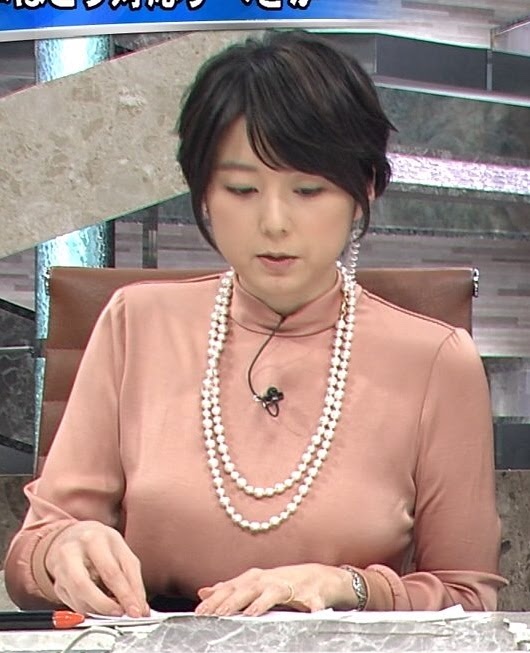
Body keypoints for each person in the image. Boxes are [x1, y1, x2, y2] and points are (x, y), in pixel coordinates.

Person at [4, 30, 506, 617]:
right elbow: (28, 560)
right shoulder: (135, 323)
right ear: (203, 194)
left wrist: (345, 586)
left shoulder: (436, 360)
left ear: (363, 191)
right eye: (241, 189)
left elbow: (469, 600)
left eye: (308, 190)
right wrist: (60, 550)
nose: (273, 222)